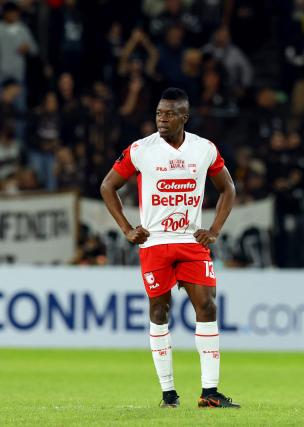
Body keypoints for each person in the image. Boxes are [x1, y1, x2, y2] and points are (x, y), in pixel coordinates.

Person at [100, 87, 239, 409]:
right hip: (156, 242)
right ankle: (168, 394)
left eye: (169, 114)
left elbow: (228, 187)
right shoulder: (140, 150)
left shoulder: (203, 149)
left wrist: (215, 230)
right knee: (159, 312)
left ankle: (210, 392)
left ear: (184, 117)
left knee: (208, 307)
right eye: (159, 113)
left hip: (191, 242)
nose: (162, 119)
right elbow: (108, 185)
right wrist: (126, 229)